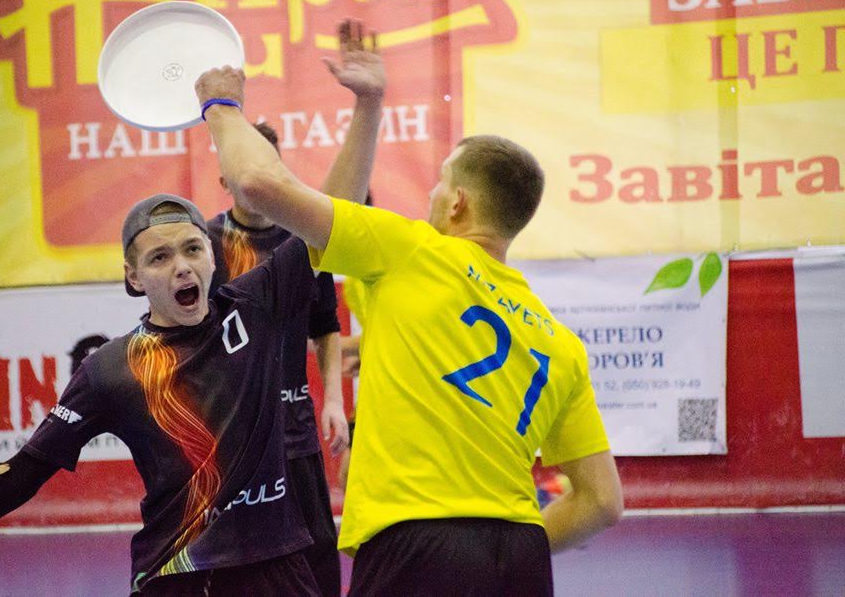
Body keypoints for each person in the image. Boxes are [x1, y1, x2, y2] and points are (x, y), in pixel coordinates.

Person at [0, 20, 380, 596]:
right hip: (177, 575)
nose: (182, 267)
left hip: (277, 569)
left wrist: (368, 105)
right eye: (159, 257)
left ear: (214, 257)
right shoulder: (112, 370)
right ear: (133, 277)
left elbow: (334, 213)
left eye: (192, 249)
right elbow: (25, 470)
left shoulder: (257, 305)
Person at [194, 65, 624, 595]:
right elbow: (603, 502)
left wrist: (221, 106)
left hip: (417, 546)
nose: (432, 195)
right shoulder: (560, 342)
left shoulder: (412, 250)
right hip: (522, 557)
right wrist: (510, 551)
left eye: (440, 182)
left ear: (457, 202)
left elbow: (260, 184)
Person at [204, 24, 384, 595]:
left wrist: (331, 400)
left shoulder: (298, 243)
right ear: (225, 178)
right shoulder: (200, 247)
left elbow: (325, 325)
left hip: (295, 428)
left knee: (316, 557)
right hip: (230, 437)